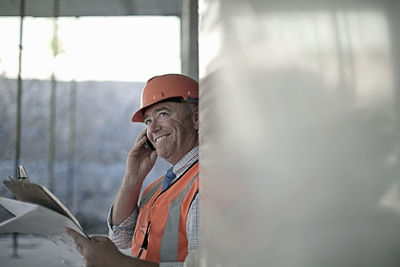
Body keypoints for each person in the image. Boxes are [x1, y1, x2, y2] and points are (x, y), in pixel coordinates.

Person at [67, 73, 199, 267]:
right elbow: (121, 238)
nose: (152, 128)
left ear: (196, 118)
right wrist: (133, 178)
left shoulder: (206, 185)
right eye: (147, 121)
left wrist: (118, 263)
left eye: (163, 113)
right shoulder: (157, 188)